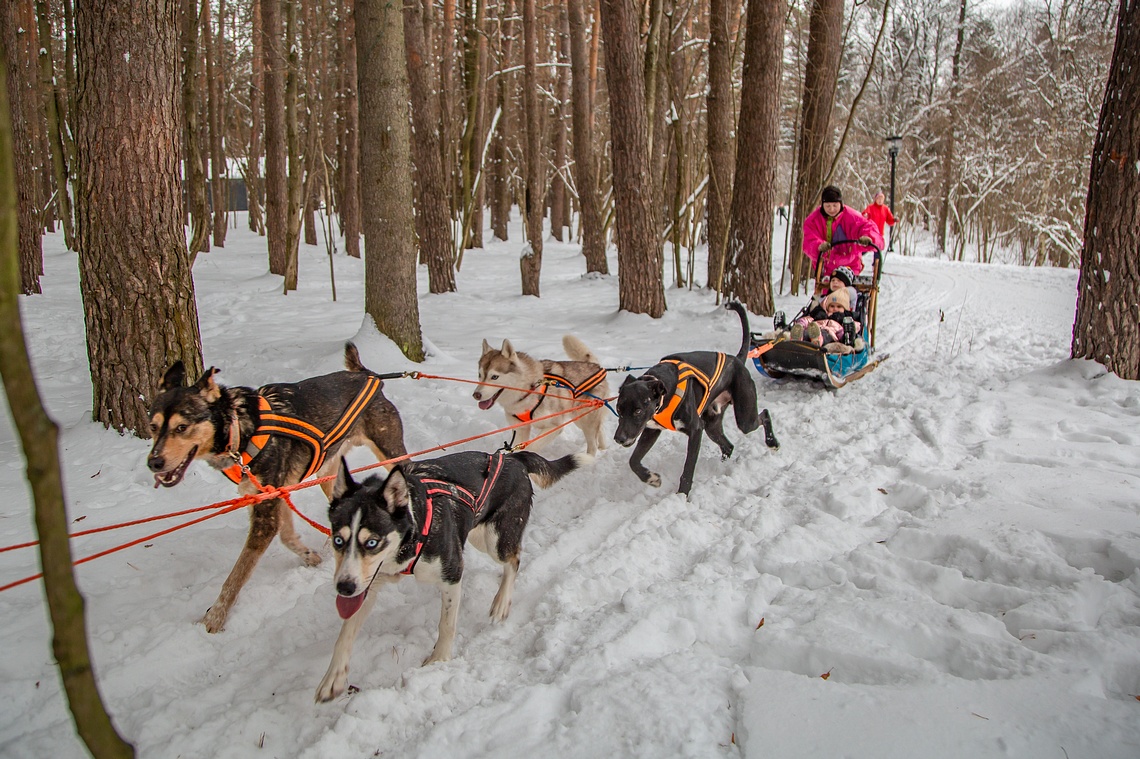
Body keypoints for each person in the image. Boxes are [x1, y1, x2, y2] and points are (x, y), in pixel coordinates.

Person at [802, 185, 883, 281]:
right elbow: (808, 241)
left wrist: (868, 237)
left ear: (841, 204)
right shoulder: (813, 220)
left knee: (847, 293)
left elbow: (870, 229)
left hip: (850, 268)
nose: (831, 209)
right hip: (826, 269)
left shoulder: (852, 217)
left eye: (835, 206)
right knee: (828, 294)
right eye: (828, 206)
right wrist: (819, 246)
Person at [788, 287, 863, 354]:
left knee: (825, 335)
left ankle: (817, 340)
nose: (835, 308)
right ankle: (798, 338)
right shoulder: (820, 315)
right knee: (806, 332)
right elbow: (808, 319)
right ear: (827, 307)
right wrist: (801, 324)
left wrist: (847, 333)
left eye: (839, 306)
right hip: (813, 329)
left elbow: (846, 331)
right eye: (832, 306)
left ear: (845, 309)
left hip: (830, 335)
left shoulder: (843, 320)